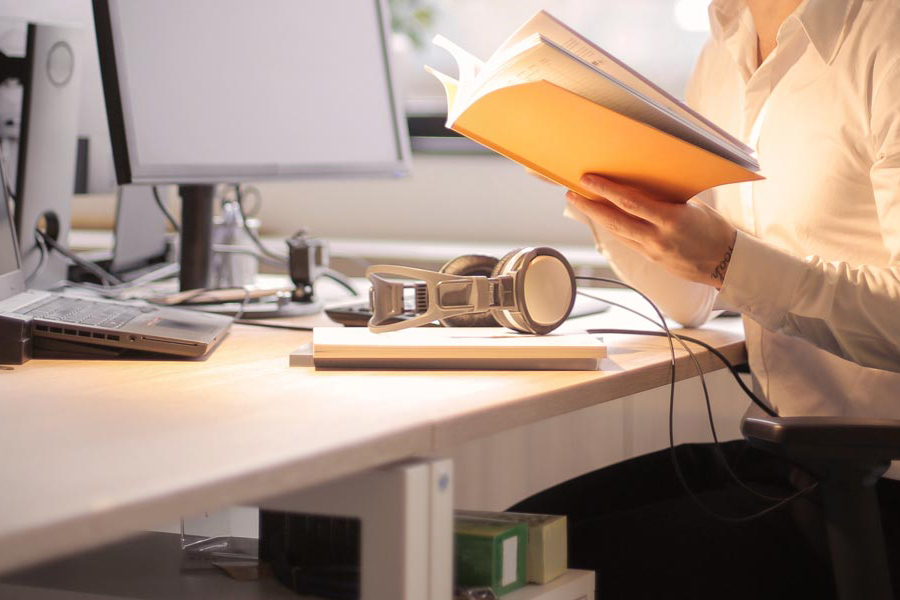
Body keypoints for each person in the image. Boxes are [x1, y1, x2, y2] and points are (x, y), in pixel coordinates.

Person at [511, 0, 900, 598]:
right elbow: (692, 296)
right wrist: (600, 191)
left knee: (532, 574)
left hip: (874, 481)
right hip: (788, 459)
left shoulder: (885, 34)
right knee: (506, 544)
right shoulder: (724, 44)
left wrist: (729, 260)